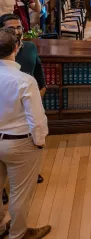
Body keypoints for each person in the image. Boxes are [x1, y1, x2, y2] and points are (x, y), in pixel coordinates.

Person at [0, 28, 51, 239]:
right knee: (20, 192)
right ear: (16, 47)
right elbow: (37, 118)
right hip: (19, 143)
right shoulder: (25, 80)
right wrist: (39, 143)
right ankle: (18, 234)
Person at [0, 14, 47, 188]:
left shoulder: (29, 47)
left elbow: (38, 67)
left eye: (19, 27)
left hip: (30, 98)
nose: (17, 31)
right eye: (11, 28)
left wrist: (42, 88)